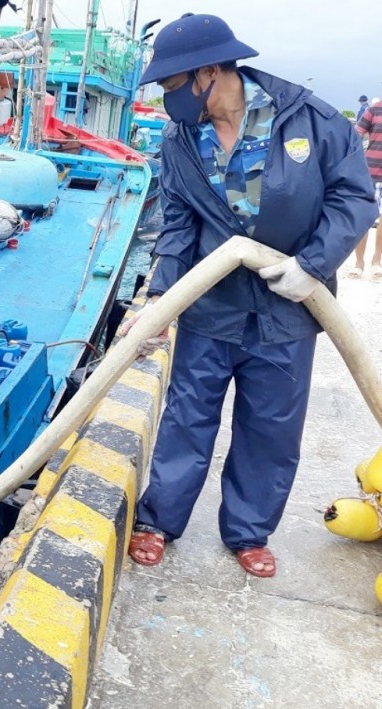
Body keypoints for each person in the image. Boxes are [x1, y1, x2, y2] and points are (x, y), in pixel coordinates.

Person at [122, 13, 376, 578]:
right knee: (188, 415)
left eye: (173, 85)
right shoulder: (180, 140)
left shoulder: (310, 120)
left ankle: (248, 530)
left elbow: (354, 198)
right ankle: (159, 520)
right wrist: (160, 301)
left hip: (289, 308)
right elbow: (179, 224)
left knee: (271, 426)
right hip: (211, 306)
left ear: (210, 72)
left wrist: (313, 265)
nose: (168, 99)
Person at [353, 96, 382, 278]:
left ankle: (376, 261)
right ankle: (359, 263)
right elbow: (356, 135)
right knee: (363, 219)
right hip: (369, 173)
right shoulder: (374, 109)